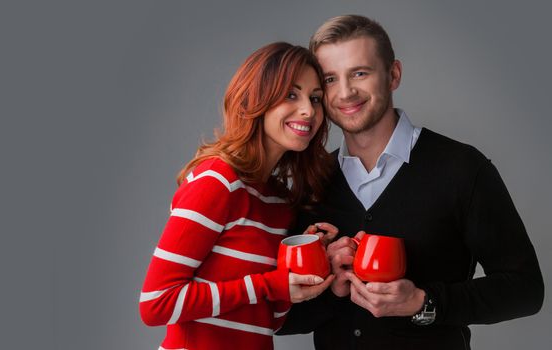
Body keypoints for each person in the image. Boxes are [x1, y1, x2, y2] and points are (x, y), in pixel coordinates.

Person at [277, 15, 545, 349]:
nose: (345, 92)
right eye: (331, 79)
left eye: (360, 73)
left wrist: (423, 303)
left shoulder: (463, 169)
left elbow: (526, 290)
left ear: (393, 75)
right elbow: (280, 319)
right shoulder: (312, 181)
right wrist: (330, 288)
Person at [139, 42, 338, 350]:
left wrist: (296, 272)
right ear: (257, 98)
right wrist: (268, 284)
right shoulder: (217, 181)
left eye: (315, 98)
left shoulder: (278, 202)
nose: (308, 111)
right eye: (291, 94)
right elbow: (156, 304)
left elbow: (265, 321)